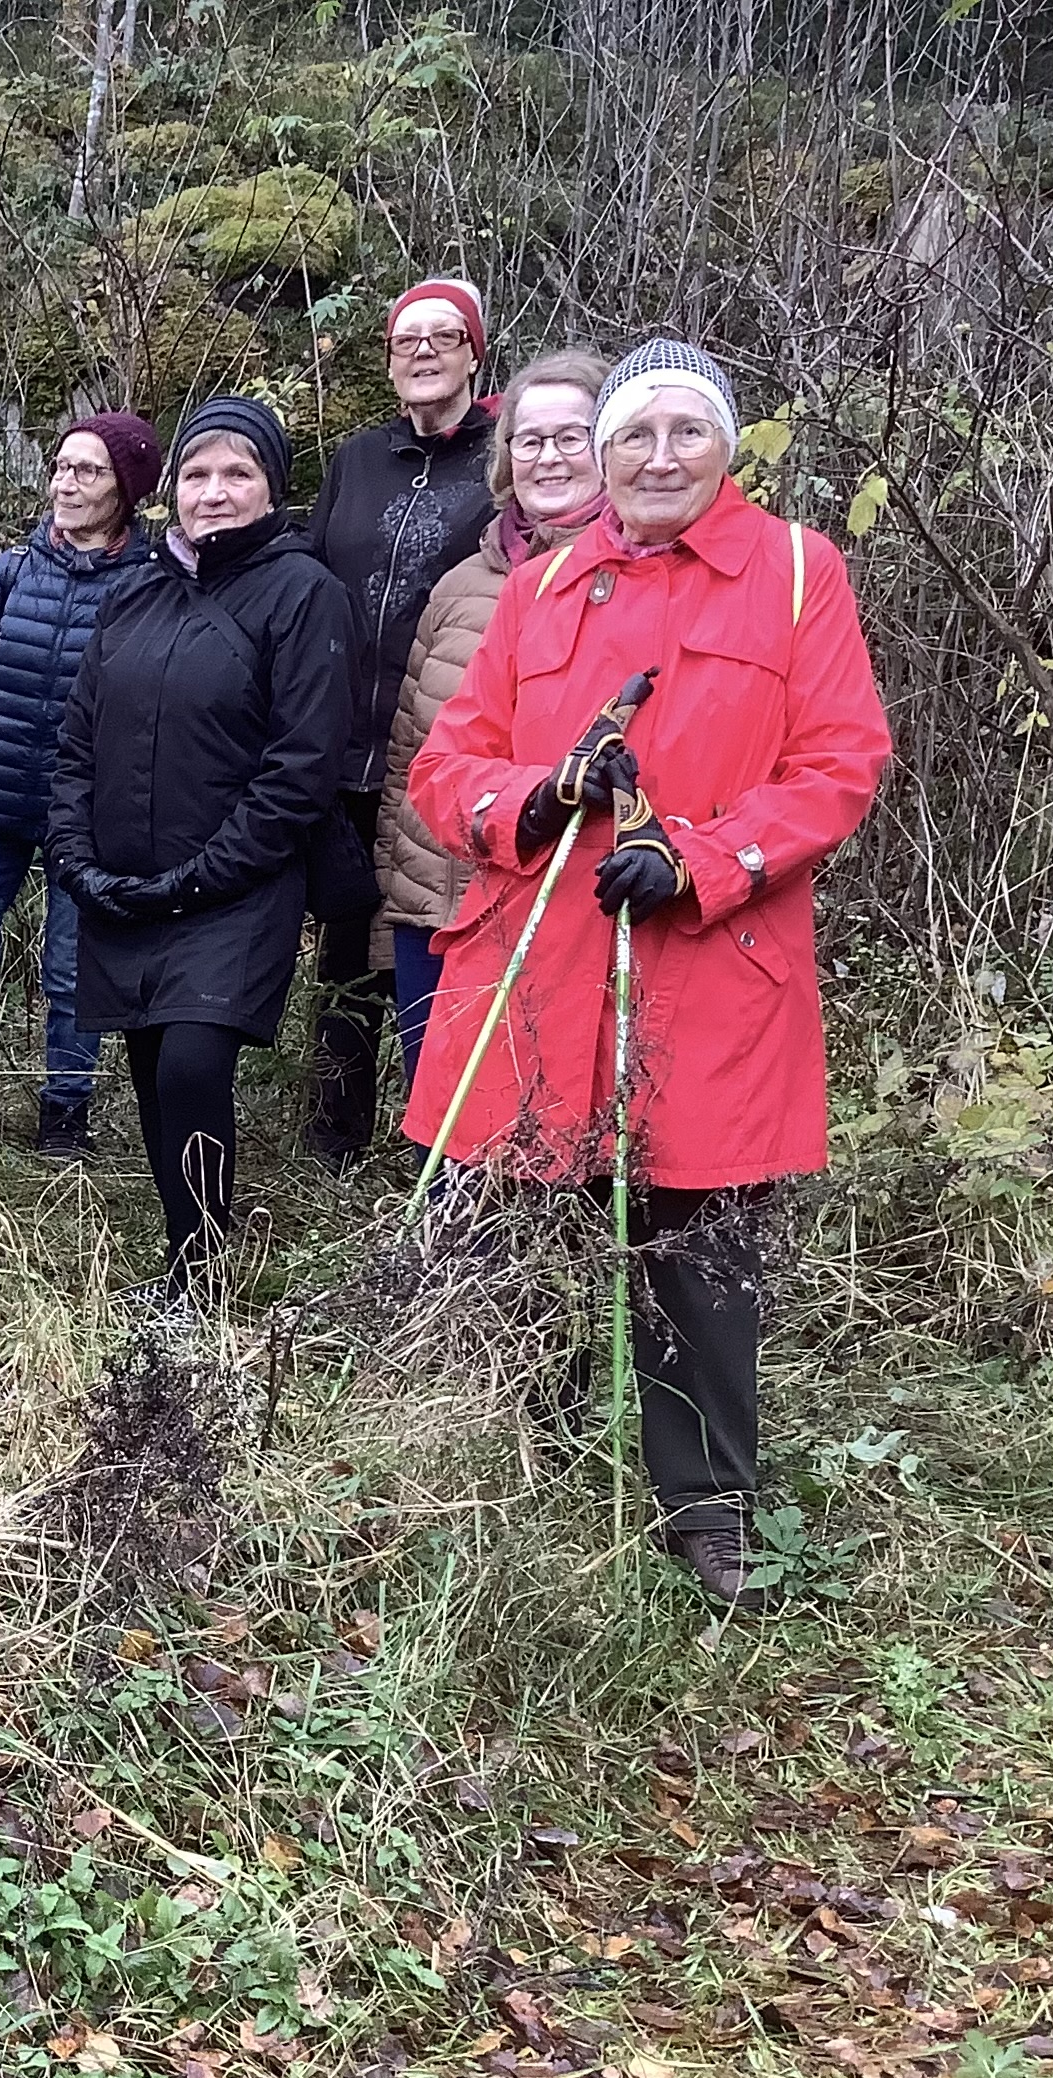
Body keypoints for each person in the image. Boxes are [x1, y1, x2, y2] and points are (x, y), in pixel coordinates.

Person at [401, 339, 889, 1602]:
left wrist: (704, 858)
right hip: (538, 968)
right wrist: (538, 791)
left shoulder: (794, 573)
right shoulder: (547, 584)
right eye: (634, 436)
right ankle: (515, 1455)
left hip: (711, 972)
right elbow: (447, 768)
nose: (657, 456)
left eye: (684, 431)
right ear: (602, 459)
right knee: (519, 1229)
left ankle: (706, 1502)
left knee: (702, 1252)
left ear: (725, 446)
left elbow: (839, 763)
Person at [48, 396, 353, 1289]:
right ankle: (191, 1258)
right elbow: (76, 742)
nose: (213, 492)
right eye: (196, 474)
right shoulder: (137, 591)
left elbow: (300, 767)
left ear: (271, 488)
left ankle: (202, 1270)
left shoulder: (305, 595)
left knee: (190, 1060)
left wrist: (197, 878)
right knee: (151, 1069)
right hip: (121, 884)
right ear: (170, 490)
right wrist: (74, 858)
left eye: (237, 474)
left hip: (236, 889)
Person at [0, 410, 162, 1152]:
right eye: (61, 466)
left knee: (69, 973)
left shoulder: (150, 586)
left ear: (126, 489)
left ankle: (65, 1113)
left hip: (80, 823)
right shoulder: (11, 572)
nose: (67, 482)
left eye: (88, 471)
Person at [375, 348, 611, 1092]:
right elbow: (409, 759)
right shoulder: (459, 584)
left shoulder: (634, 584)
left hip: (556, 912)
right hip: (432, 914)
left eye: (572, 437)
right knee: (439, 1146)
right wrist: (395, 914)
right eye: (529, 440)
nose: (549, 458)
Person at [304, 276, 500, 1163]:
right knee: (345, 941)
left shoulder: (505, 460)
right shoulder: (358, 459)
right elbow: (311, 574)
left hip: (440, 743)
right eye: (405, 340)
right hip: (345, 739)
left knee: (430, 936)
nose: (422, 351)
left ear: (473, 352)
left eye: (442, 336)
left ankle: (442, 1135)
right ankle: (334, 1131)